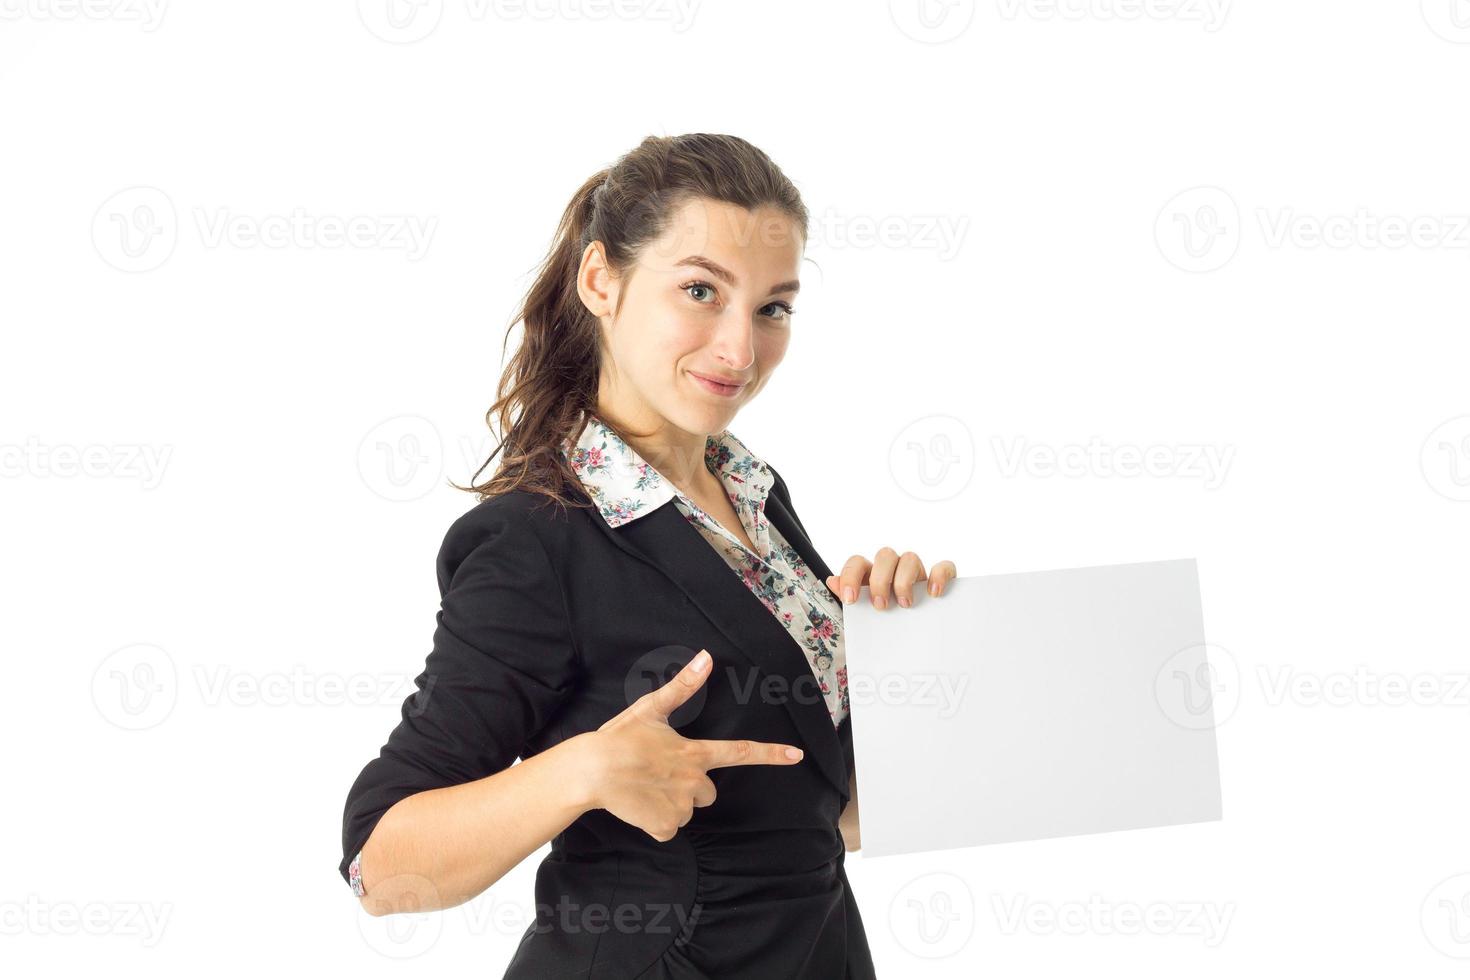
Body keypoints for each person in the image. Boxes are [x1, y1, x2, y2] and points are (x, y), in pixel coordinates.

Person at [337, 132, 958, 978]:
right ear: (602, 280)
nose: (740, 349)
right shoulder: (536, 540)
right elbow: (380, 866)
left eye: (773, 308)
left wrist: (904, 656)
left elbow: (821, 816)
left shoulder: (753, 495)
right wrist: (581, 771)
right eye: (700, 290)